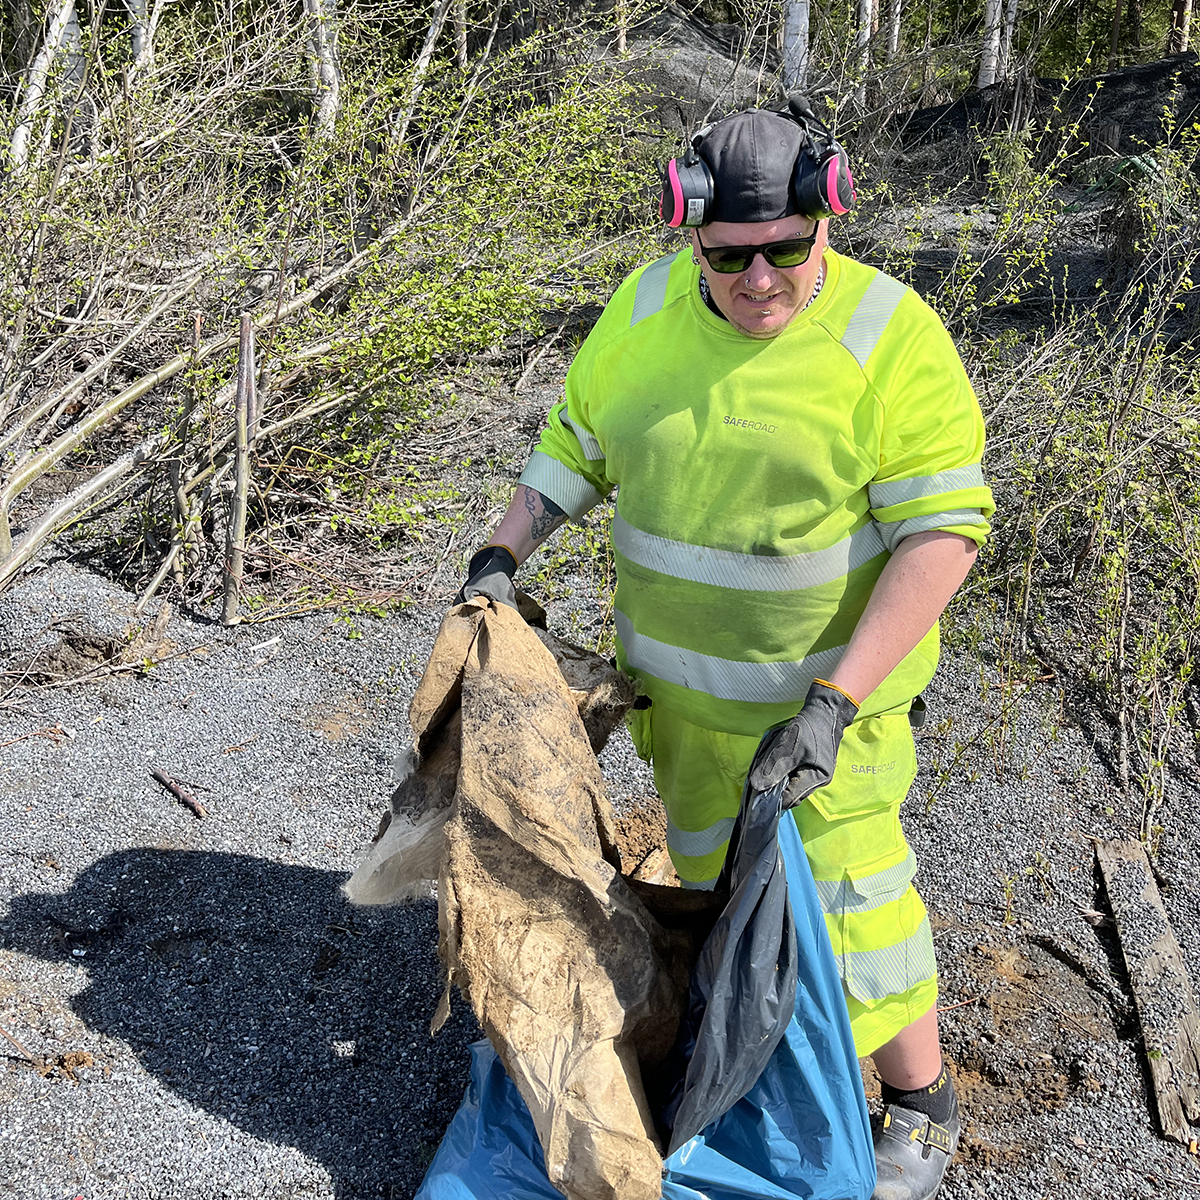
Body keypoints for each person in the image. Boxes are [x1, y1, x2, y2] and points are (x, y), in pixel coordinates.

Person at [455, 97, 995, 1200]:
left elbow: (943, 535)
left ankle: (922, 1112)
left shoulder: (889, 339)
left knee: (855, 918)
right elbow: (577, 444)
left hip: (823, 726)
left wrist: (837, 703)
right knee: (721, 909)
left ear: (827, 221)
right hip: (685, 718)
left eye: (786, 253)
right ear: (689, 233)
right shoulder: (645, 312)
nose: (759, 281)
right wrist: (503, 552)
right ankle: (757, 1082)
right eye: (731, 256)